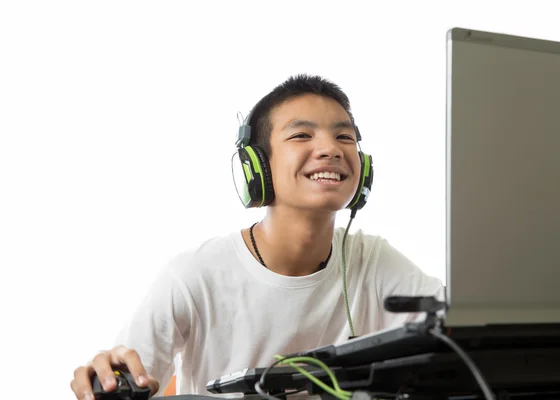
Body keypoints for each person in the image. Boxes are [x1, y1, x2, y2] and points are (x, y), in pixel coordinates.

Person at [70, 74, 444, 399]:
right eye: (301, 134)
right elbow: (127, 377)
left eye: (344, 136)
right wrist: (109, 376)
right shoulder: (194, 275)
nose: (331, 149)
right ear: (257, 168)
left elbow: (462, 327)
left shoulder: (372, 260)